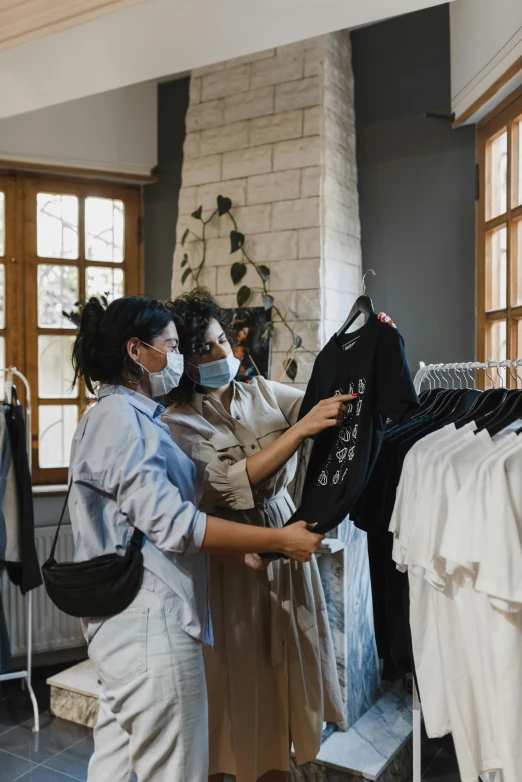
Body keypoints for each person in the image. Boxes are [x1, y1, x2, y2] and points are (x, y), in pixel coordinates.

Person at [68, 295, 324, 782]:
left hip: (127, 628)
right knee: (175, 770)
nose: (182, 358)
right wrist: (280, 540)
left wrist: (241, 551)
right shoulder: (123, 422)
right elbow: (177, 524)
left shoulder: (121, 416)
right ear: (137, 352)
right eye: (172, 346)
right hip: (152, 631)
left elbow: (147, 531)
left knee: (118, 768)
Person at [163, 289, 394, 782]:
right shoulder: (178, 422)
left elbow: (327, 398)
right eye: (205, 348)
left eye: (223, 340)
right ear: (183, 358)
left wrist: (372, 343)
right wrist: (300, 430)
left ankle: (279, 766)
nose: (222, 353)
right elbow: (230, 481)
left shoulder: (261, 392)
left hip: (285, 539)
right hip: (234, 559)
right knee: (240, 686)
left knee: (289, 667)